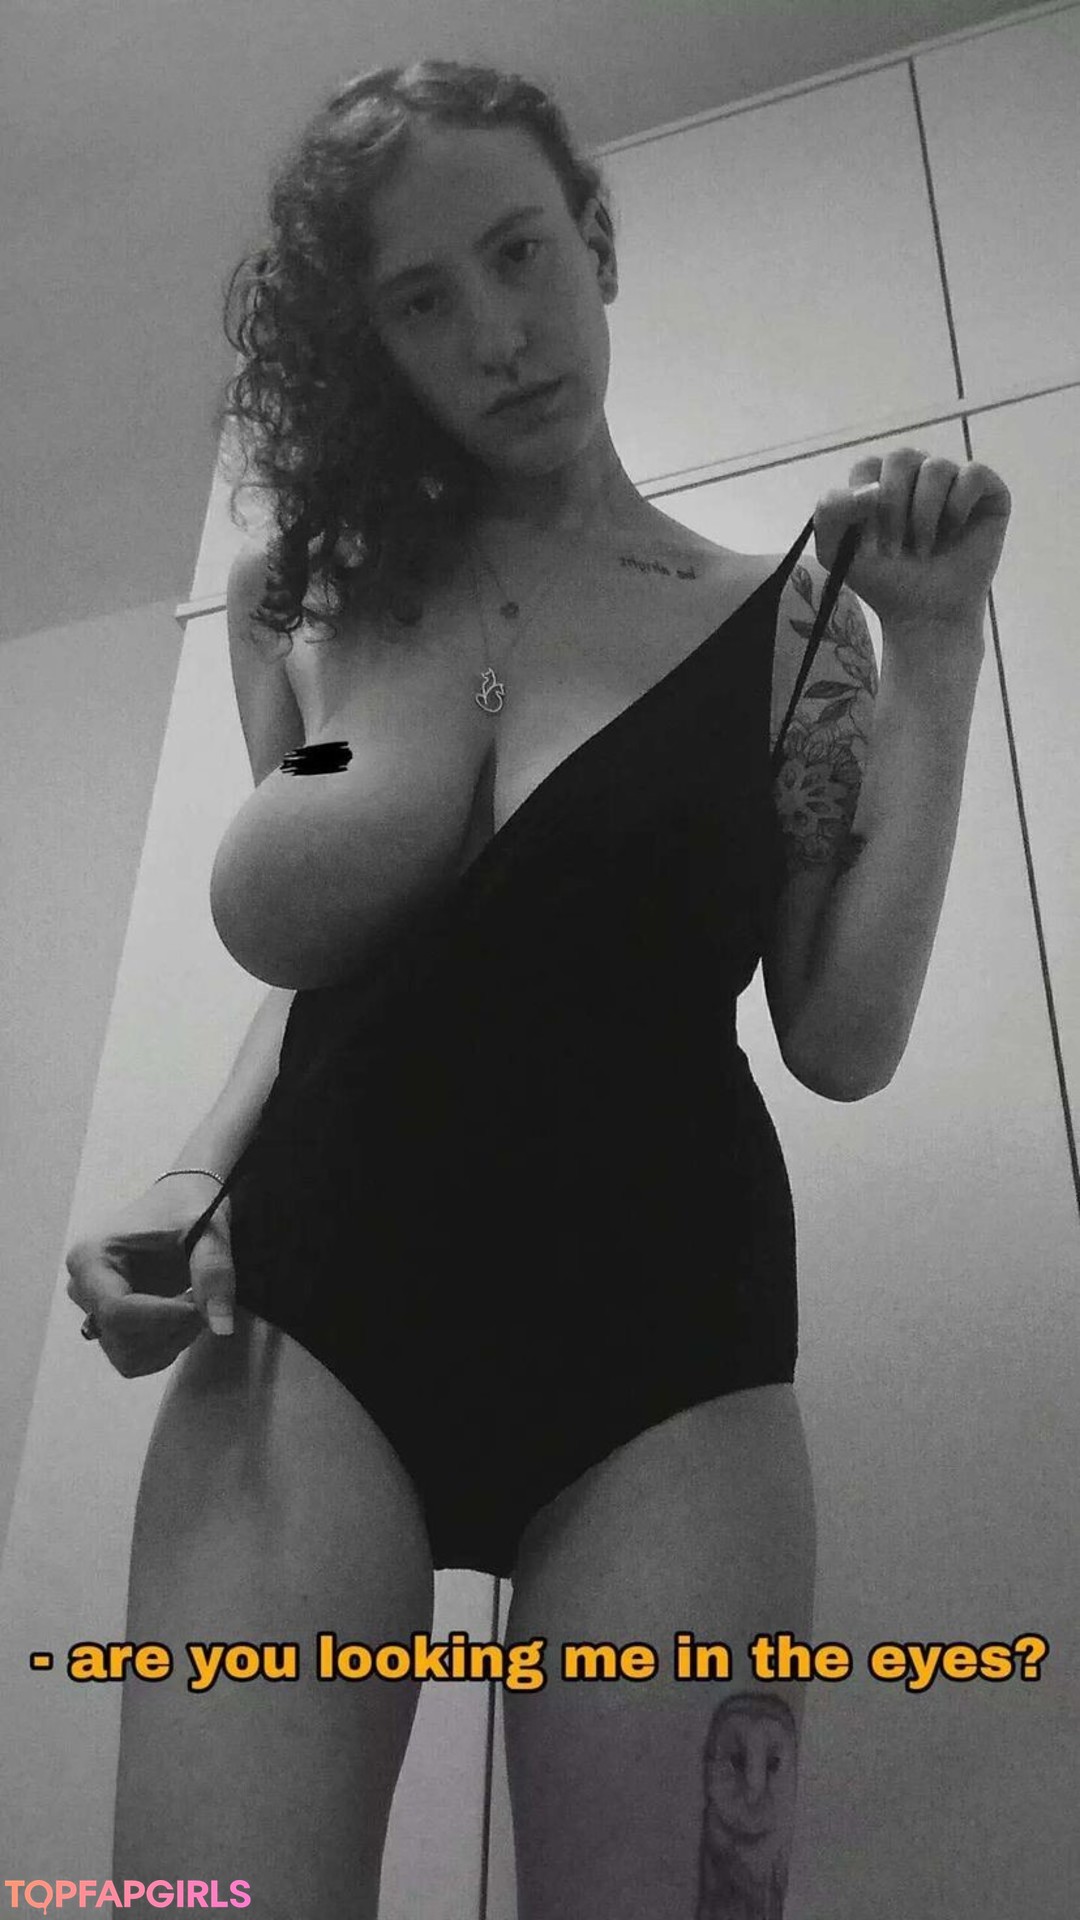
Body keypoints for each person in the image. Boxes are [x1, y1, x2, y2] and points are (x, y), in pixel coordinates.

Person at [65, 56, 1007, 1920]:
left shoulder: (797, 629)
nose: (495, 332)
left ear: (594, 240)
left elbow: (841, 1036)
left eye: (518, 254)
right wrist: (185, 1176)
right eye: (422, 301)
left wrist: (943, 646)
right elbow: (340, 983)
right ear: (374, 349)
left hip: (668, 1351)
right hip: (312, 1320)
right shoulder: (303, 600)